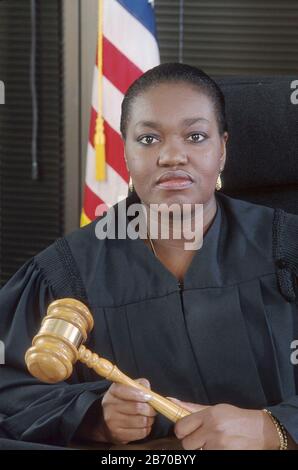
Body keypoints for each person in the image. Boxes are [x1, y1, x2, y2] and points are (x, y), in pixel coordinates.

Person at [1, 63, 298, 450]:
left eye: (195, 136)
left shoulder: (288, 247)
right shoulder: (66, 272)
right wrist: (93, 416)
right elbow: (9, 384)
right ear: (124, 151)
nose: (172, 156)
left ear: (222, 149)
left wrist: (273, 428)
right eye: (148, 139)